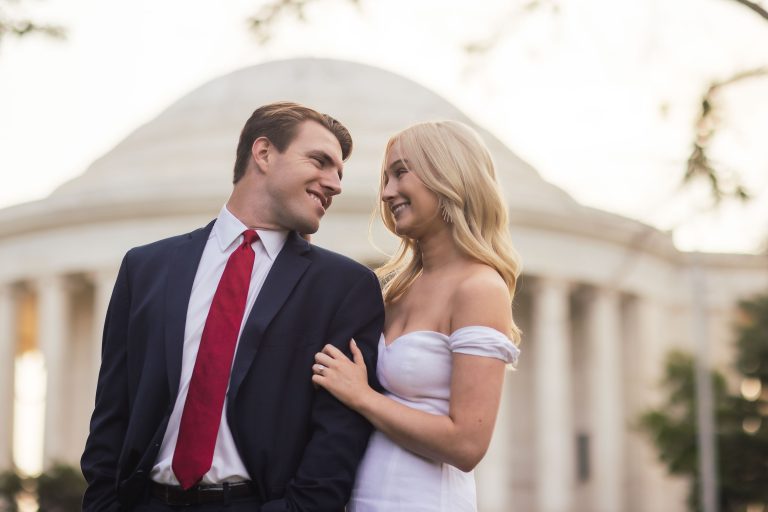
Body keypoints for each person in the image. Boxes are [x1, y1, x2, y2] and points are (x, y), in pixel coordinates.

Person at [81, 101, 385, 511]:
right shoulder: (146, 268)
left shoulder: (344, 287)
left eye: (339, 172)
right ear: (263, 154)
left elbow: (337, 436)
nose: (335, 183)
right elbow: (112, 412)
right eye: (320, 161)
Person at [312, 120, 521, 512]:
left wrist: (363, 397)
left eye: (401, 173)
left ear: (448, 177)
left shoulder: (479, 288)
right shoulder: (396, 289)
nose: (387, 192)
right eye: (385, 178)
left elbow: (467, 445)